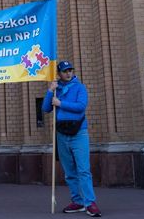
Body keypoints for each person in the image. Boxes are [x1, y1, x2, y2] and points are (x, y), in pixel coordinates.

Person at [42, 61, 102, 217]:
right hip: (62, 134)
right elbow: (45, 108)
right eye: (65, 71)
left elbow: (81, 106)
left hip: (78, 133)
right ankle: (78, 201)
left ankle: (90, 203)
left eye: (70, 70)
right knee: (69, 172)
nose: (68, 73)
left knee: (83, 170)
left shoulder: (79, 87)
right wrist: (50, 91)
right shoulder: (56, 89)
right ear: (59, 73)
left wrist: (61, 103)